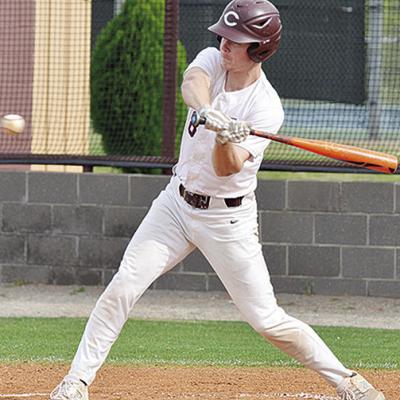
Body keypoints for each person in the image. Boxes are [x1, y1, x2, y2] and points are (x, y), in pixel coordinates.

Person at [50, 1, 385, 399]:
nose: (226, 45)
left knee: (267, 320)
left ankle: (347, 381)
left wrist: (229, 139)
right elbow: (192, 84)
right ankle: (76, 381)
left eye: (237, 41)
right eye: (225, 36)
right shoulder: (213, 60)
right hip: (174, 206)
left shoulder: (266, 107)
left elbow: (227, 169)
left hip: (227, 222)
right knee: (124, 285)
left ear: (260, 49)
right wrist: (211, 111)